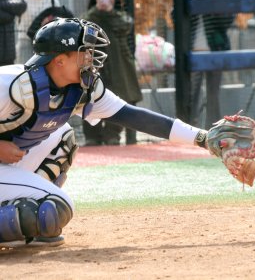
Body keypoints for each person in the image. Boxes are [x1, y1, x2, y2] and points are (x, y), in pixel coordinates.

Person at [0, 18, 215, 247]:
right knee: (55, 208)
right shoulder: (11, 84)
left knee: (62, 138)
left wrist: (203, 138)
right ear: (60, 60)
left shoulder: (81, 89)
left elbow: (134, 116)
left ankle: (21, 216)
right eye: (84, 52)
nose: (91, 58)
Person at [81, 0, 143, 146]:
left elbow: (125, 26)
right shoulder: (88, 18)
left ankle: (112, 134)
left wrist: (109, 12)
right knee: (90, 96)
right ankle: (92, 135)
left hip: (119, 66)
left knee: (119, 97)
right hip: (94, 64)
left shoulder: (120, 18)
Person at [189, 0, 234, 128]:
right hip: (193, 50)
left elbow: (228, 21)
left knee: (213, 91)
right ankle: (189, 124)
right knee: (192, 91)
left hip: (215, 49)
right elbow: (175, 17)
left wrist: (213, 4)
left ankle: (213, 126)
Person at [7, 0, 67, 64]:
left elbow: (60, 23)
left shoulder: (52, 1)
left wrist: (50, 22)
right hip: (25, 46)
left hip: (46, 45)